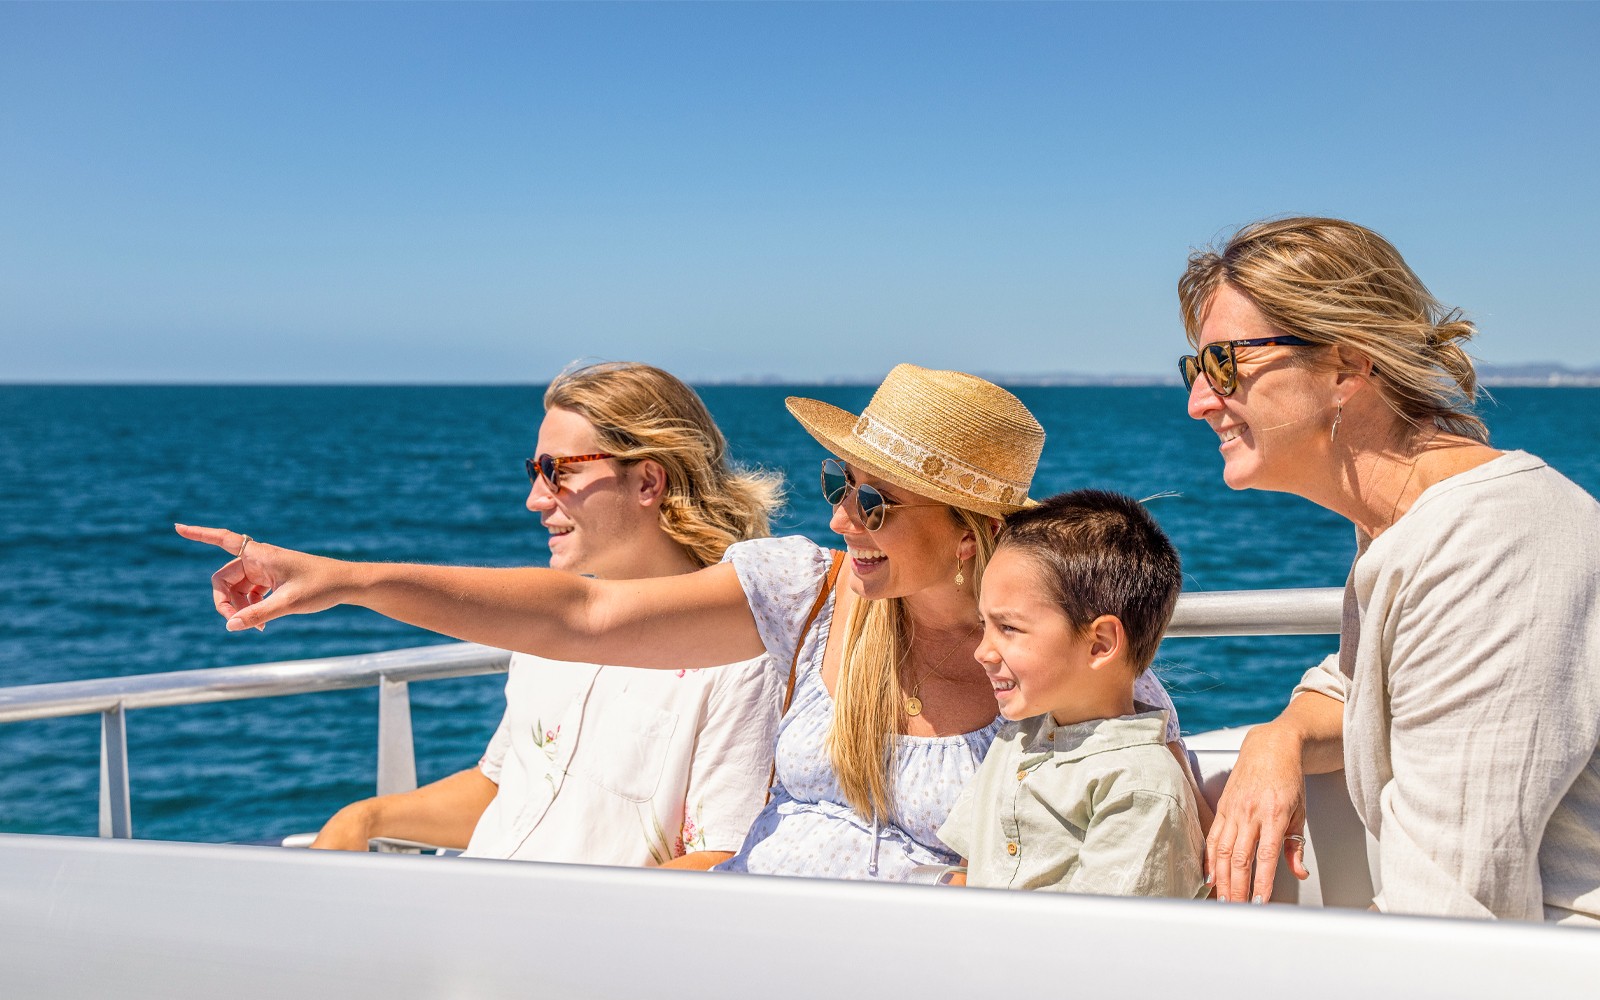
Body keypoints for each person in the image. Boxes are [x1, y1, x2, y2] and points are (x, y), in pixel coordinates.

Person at [179, 364, 1199, 881]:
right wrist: (350, 578)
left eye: (873, 502)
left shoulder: (1061, 656)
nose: (840, 518)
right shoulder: (808, 593)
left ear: (971, 529)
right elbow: (585, 614)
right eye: (836, 487)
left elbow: (1126, 802)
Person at [1179, 217, 1600, 923]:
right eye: (1196, 369)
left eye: (1225, 363)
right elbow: (1365, 681)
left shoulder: (1486, 543)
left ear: (1346, 367)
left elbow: (1454, 908)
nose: (1198, 402)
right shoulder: (1411, 524)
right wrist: (1276, 736)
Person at [306, 361, 788, 868]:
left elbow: (721, 854)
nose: (535, 499)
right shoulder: (548, 634)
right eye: (535, 471)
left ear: (647, 481)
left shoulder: (740, 652)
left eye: (560, 471)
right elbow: (507, 789)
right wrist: (364, 818)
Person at [934, 490, 1205, 896]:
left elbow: (1096, 945)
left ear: (1100, 644)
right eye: (984, 625)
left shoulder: (1138, 788)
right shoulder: (1017, 738)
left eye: (1008, 628)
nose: (982, 651)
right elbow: (965, 872)